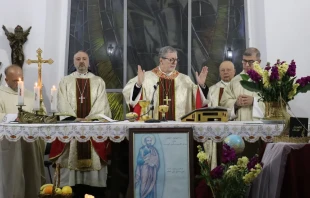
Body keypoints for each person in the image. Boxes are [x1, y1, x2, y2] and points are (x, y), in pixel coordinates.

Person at [49, 51, 112, 198]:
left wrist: (90, 119)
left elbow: (102, 104)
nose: (81, 61)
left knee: (94, 182)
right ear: (74, 62)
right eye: (78, 59)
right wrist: (74, 118)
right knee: (71, 180)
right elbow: (62, 102)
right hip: (72, 128)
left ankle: (94, 192)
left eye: (84, 59)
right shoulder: (65, 81)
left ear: (89, 62)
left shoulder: (98, 81)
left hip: (92, 129)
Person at [123, 46, 209, 121]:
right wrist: (138, 85)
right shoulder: (146, 77)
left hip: (179, 129)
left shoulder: (185, 80)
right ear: (161, 60)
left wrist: (201, 86)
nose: (174, 62)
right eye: (171, 59)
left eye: (176, 59)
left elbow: (198, 101)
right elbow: (129, 95)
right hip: (152, 127)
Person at [0, 64, 45, 198]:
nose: (20, 83)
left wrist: (37, 117)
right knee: (13, 179)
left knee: (31, 175)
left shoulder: (32, 95)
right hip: (9, 144)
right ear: (6, 80)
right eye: (15, 80)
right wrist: (15, 117)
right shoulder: (1, 93)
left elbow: (43, 115)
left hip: (30, 143)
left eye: (21, 79)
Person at [204, 61, 236, 170]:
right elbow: (209, 110)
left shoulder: (239, 87)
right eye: (223, 70)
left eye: (228, 70)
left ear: (234, 71)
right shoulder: (213, 90)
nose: (225, 72)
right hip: (219, 130)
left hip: (236, 128)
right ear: (219, 73)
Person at [220, 48, 264, 121]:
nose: (246, 65)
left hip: (260, 127)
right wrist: (236, 104)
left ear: (258, 62)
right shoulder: (235, 81)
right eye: (244, 61)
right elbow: (224, 103)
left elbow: (274, 105)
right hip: (239, 127)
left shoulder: (265, 80)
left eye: (251, 62)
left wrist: (254, 101)